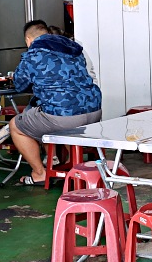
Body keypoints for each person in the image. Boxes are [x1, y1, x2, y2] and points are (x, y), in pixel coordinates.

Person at [8, 20, 103, 186]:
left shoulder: (33, 54)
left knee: (15, 126)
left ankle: (39, 173)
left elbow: (19, 85)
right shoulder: (73, 48)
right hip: (94, 111)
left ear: (28, 40)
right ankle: (69, 167)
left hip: (65, 117)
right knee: (48, 115)